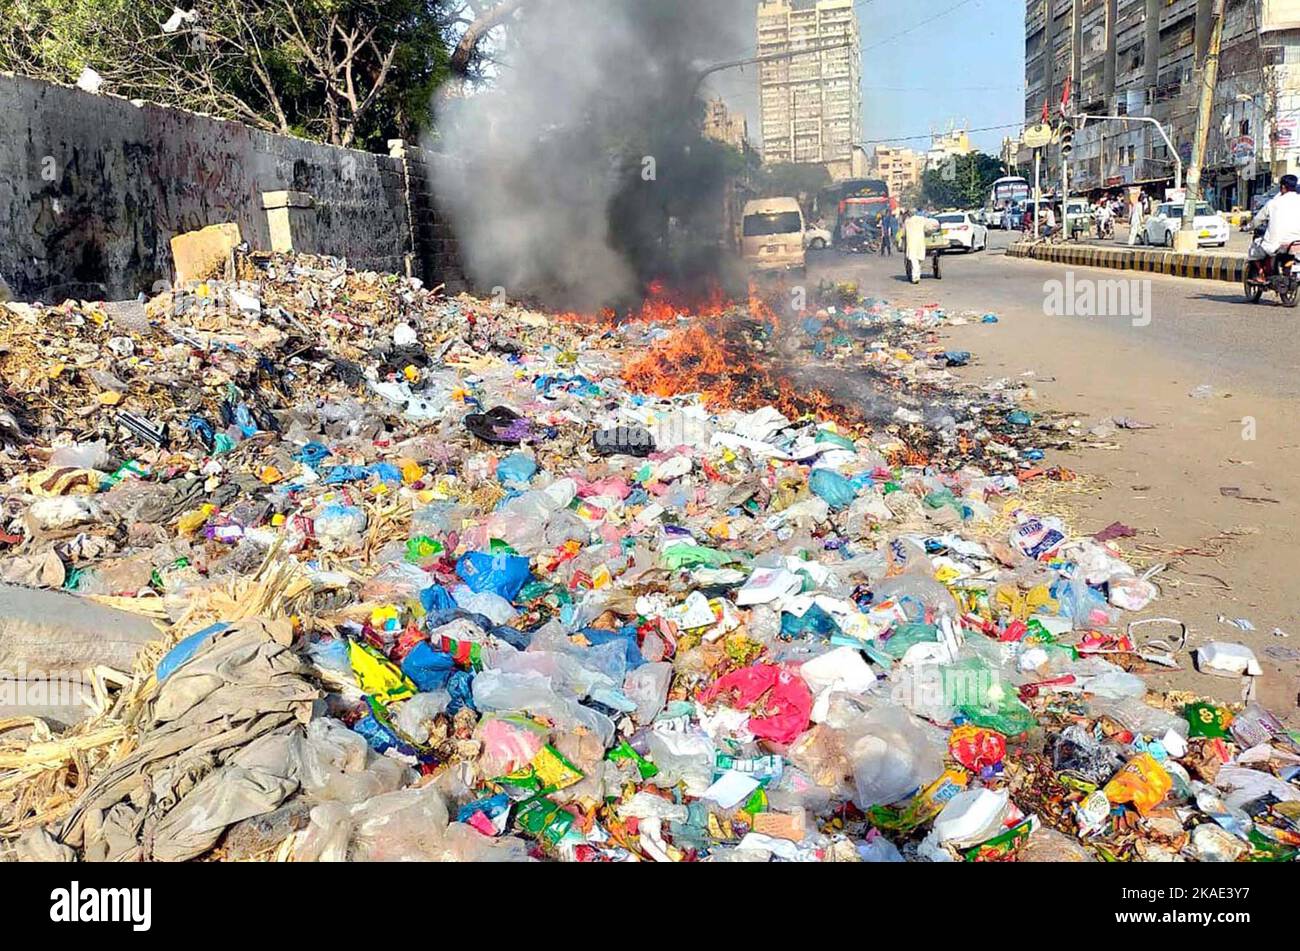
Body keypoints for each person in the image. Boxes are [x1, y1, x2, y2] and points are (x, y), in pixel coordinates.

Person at [1247, 173, 1300, 274]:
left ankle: (1261, 273)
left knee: (1254, 248)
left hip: (1276, 244)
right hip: (1297, 243)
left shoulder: (1273, 203)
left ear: (1283, 187)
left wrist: (1248, 227)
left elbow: (1257, 220)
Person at [901, 209, 939, 283]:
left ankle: (916, 277)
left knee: (914, 260)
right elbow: (932, 224)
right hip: (920, 241)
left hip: (911, 242)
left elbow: (903, 233)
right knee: (919, 260)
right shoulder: (921, 219)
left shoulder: (907, 222)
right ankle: (916, 275)